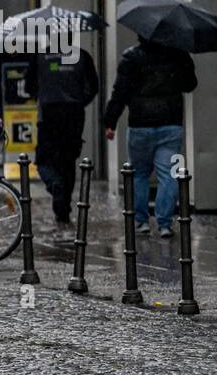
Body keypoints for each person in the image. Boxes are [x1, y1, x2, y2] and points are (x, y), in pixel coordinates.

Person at [102, 38, 198, 238]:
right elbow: (190, 84)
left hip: (140, 125)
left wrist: (110, 121)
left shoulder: (131, 57)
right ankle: (164, 223)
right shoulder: (179, 55)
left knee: (139, 174)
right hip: (171, 123)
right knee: (169, 174)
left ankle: (141, 222)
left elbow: (120, 92)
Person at [28, 44, 99, 228]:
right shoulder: (82, 55)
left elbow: (28, 85)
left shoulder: (40, 55)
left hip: (48, 113)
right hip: (74, 114)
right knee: (68, 161)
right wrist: (79, 102)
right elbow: (93, 86)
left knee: (44, 159)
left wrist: (42, 95)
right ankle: (63, 210)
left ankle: (55, 186)